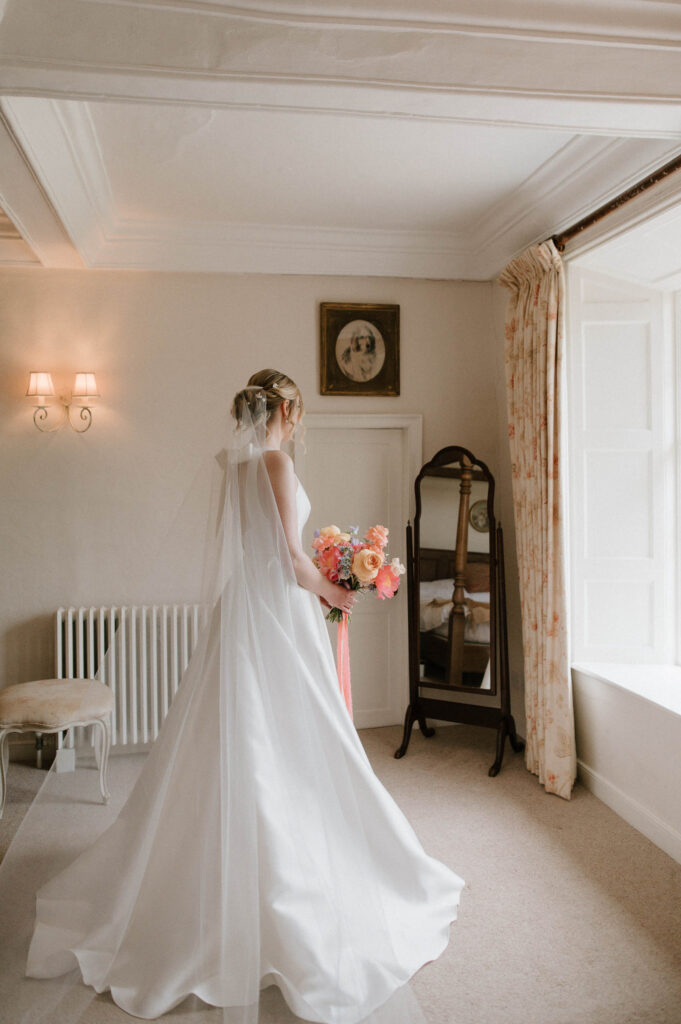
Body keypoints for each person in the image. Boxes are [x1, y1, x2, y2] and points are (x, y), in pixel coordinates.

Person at [23, 368, 465, 1024]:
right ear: (287, 410)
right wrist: (334, 588)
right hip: (277, 612)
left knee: (237, 733)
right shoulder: (278, 463)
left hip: (244, 612)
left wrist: (327, 572)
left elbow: (260, 549)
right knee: (293, 734)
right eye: (299, 411)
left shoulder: (232, 465)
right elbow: (288, 559)